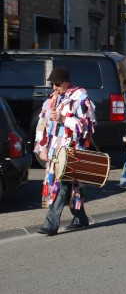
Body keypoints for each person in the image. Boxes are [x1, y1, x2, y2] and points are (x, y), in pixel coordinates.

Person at [35, 67, 96, 235]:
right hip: (55, 150)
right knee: (70, 186)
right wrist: (42, 147)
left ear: (66, 82)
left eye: (57, 83)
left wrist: (63, 119)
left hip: (73, 149)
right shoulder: (51, 100)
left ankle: (51, 224)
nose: (54, 87)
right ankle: (80, 218)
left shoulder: (81, 97)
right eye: (52, 84)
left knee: (62, 184)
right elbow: (42, 125)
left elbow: (88, 126)